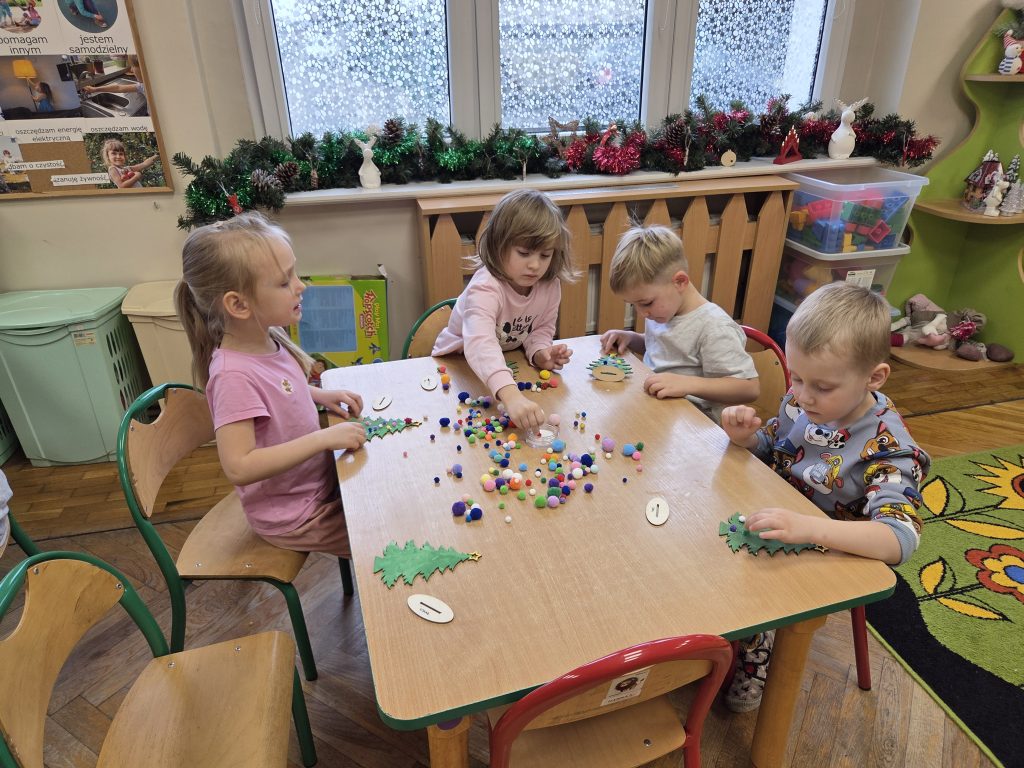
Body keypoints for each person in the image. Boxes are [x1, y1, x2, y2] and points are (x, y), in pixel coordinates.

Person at [719, 281, 929, 712]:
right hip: (783, 518)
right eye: (796, 377)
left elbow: (900, 539)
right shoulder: (802, 401)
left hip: (829, 549)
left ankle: (753, 659)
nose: (802, 395)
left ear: (874, 377)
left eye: (822, 386)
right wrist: (747, 439)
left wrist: (810, 528)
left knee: (750, 591)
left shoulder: (889, 449)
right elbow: (773, 448)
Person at [173, 211, 368, 558]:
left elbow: (279, 389)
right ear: (238, 304)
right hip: (297, 514)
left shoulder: (267, 338)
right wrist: (323, 438)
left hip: (320, 484)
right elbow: (239, 465)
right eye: (284, 281)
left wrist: (319, 395)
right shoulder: (232, 376)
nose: (300, 286)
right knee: (384, 537)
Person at [432, 188, 577, 431]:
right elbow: (480, 343)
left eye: (545, 255)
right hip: (458, 363)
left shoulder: (549, 285)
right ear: (498, 245)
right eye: (524, 253)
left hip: (505, 362)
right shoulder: (485, 287)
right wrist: (510, 395)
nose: (535, 265)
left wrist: (541, 352)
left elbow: (540, 329)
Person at [599, 224, 759, 422]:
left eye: (646, 303)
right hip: (657, 411)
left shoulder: (714, 327)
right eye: (633, 305)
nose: (641, 313)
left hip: (695, 425)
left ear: (680, 282)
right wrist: (631, 338)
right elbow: (665, 349)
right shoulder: (663, 311)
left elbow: (749, 388)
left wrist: (687, 384)